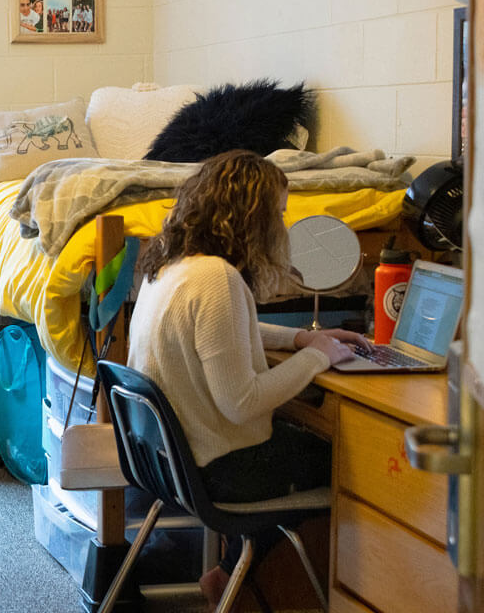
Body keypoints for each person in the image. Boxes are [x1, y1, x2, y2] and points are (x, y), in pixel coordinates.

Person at [127, 150, 367, 610]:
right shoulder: (217, 278)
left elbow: (220, 332)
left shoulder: (174, 267)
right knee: (350, 462)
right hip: (221, 474)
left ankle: (229, 572)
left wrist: (300, 339)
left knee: (296, 441)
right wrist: (318, 358)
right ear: (251, 218)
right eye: (277, 214)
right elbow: (241, 402)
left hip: (171, 464)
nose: (281, 226)